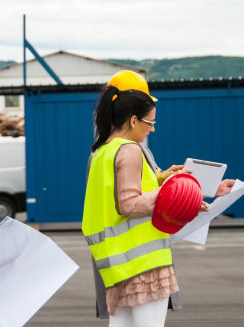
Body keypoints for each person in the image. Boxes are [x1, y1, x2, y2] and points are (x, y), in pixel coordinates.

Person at [82, 70, 235, 327]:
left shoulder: (102, 151)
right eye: (150, 123)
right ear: (132, 120)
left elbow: (120, 194)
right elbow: (129, 204)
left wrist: (166, 180)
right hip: (143, 264)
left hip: (118, 267)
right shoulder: (130, 150)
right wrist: (183, 200)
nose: (152, 129)